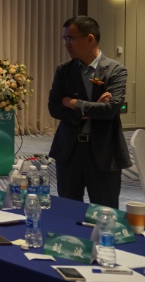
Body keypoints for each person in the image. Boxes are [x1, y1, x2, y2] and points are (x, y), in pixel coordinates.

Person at [48, 15, 130, 207]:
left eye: (71, 38)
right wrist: (93, 107)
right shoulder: (64, 70)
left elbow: (110, 110)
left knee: (105, 213)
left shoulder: (115, 70)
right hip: (69, 151)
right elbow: (54, 108)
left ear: (90, 39)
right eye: (65, 38)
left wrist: (73, 102)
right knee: (68, 211)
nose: (66, 44)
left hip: (104, 152)